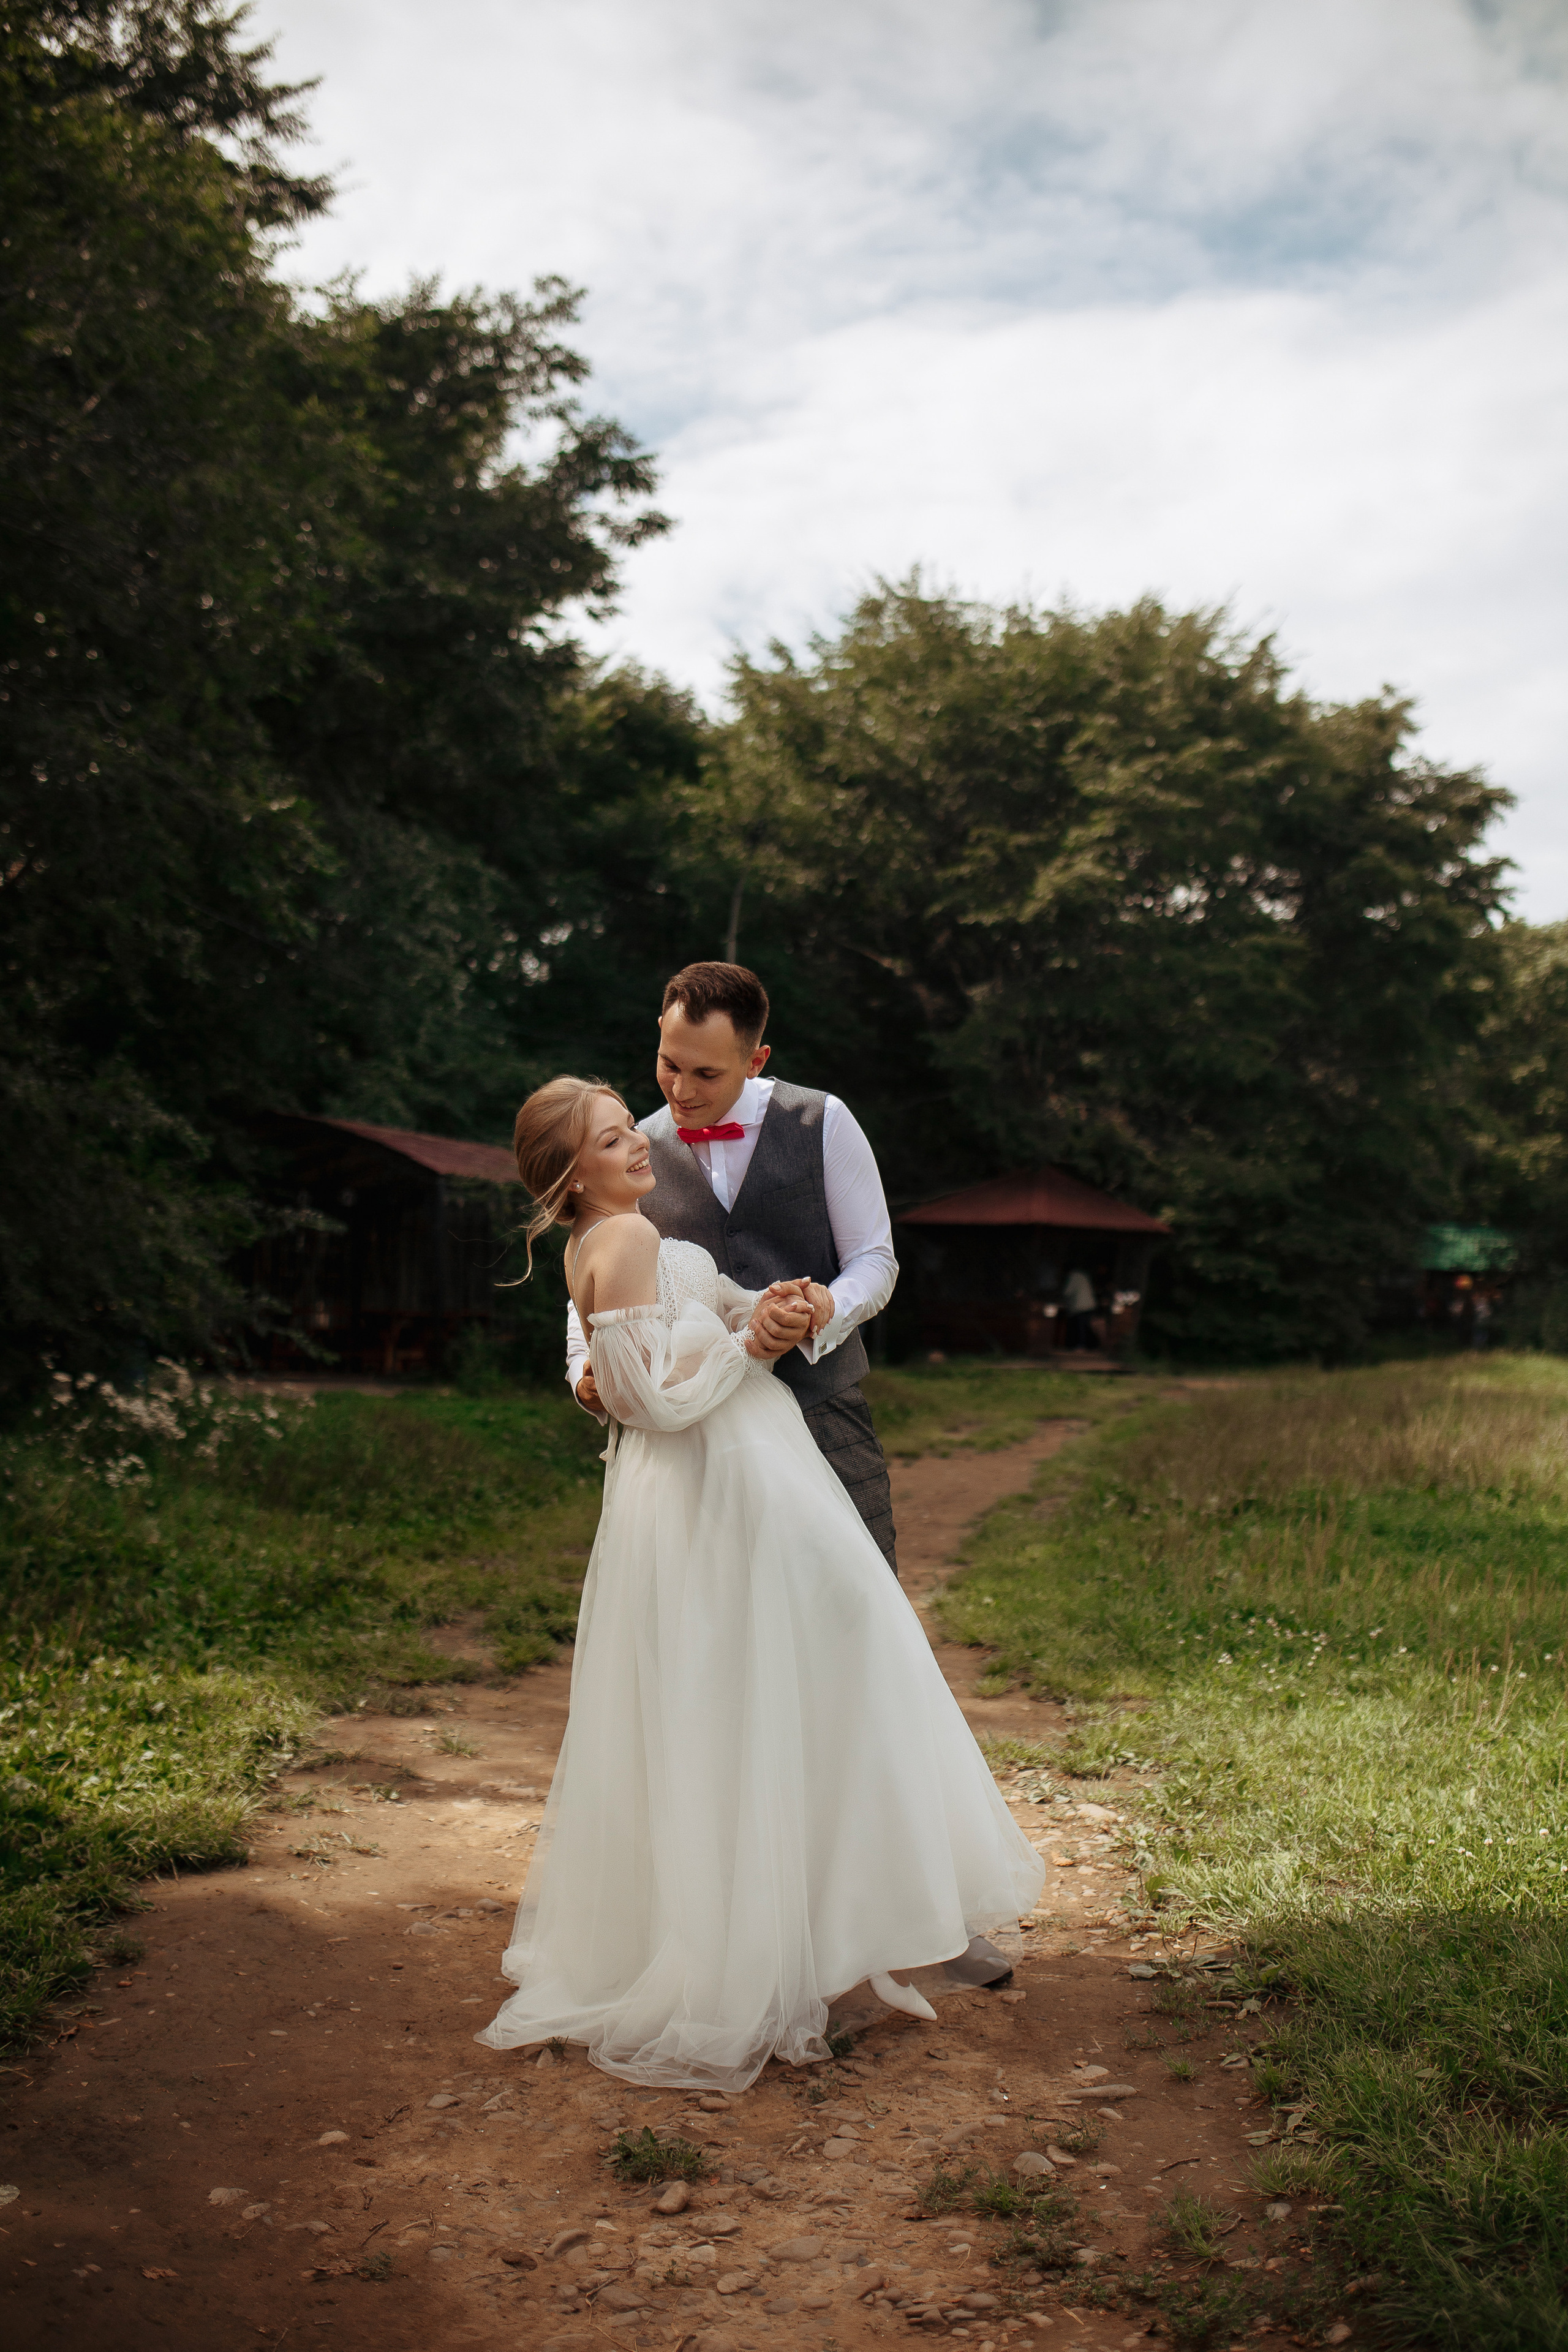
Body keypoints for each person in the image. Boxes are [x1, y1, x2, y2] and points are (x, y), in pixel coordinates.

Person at [478, 1077, 1044, 2090]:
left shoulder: (608, 1237)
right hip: (721, 1483)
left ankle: (821, 1929)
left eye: (628, 1128)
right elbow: (653, 1400)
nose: (640, 1142)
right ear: (575, 1174)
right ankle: (797, 1949)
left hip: (718, 1480)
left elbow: (670, 1330)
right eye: (614, 1140)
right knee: (824, 1662)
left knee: (752, 1689)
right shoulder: (628, 1238)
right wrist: (748, 1343)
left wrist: (767, 1308)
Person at [567, 962, 900, 1570]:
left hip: (821, 1410)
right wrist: (581, 1373)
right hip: (695, 1446)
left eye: (706, 1073)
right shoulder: (633, 1145)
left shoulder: (823, 1122)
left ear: (755, 1060)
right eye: (669, 1063)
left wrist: (827, 1308)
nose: (681, 1090)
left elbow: (874, 1258)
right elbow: (591, 1279)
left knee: (857, 1602)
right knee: (719, 1632)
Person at [1061, 1265, 1098, 1351]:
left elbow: (1067, 1292)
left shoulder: (1073, 1276)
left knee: (1081, 1326)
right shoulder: (1083, 1275)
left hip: (1081, 1306)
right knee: (1085, 1326)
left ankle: (1082, 1345)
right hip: (1089, 1304)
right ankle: (1089, 1345)